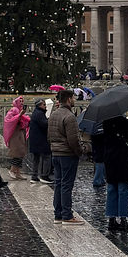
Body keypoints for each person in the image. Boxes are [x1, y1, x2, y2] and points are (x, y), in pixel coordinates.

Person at [48, 88, 83, 223]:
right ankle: (67, 215)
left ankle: (58, 214)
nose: (74, 100)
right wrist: (80, 151)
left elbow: (49, 135)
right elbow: (73, 140)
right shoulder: (69, 116)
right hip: (67, 154)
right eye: (73, 98)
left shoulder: (54, 114)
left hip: (55, 153)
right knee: (67, 185)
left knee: (59, 183)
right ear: (68, 99)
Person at [103, 115, 128, 232]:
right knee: (123, 190)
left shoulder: (105, 122)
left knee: (112, 189)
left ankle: (111, 219)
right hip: (122, 159)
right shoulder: (124, 122)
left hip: (110, 159)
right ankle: (123, 220)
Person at [3, 96, 30, 180]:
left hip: (20, 134)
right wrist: (20, 115)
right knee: (16, 153)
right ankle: (12, 170)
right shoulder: (14, 110)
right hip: (15, 135)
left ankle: (18, 172)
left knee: (21, 153)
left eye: (22, 101)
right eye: (20, 101)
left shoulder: (20, 111)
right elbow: (9, 120)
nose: (21, 102)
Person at [26, 98, 53, 182]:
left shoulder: (36, 112)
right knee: (47, 156)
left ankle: (34, 176)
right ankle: (44, 176)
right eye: (44, 105)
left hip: (35, 139)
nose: (45, 106)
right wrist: (49, 120)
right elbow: (45, 124)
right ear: (40, 105)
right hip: (40, 139)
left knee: (36, 158)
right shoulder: (40, 114)